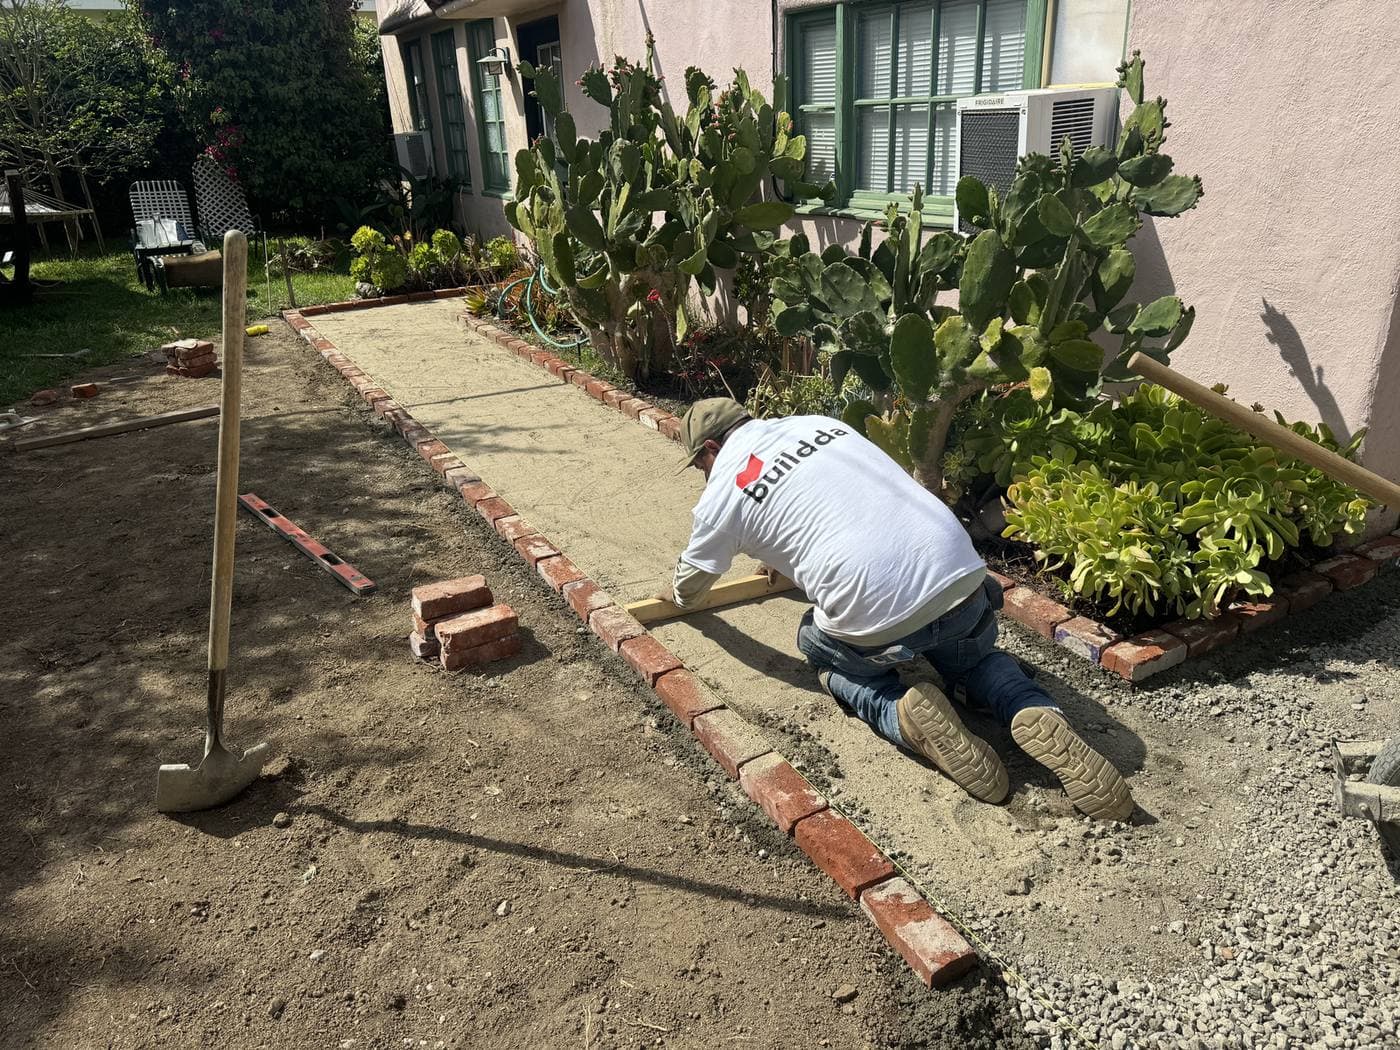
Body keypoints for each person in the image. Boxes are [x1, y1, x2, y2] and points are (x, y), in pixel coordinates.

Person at [666, 397, 1134, 822]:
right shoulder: (819, 424)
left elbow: (690, 589)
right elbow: (846, 508)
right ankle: (1030, 708)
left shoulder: (721, 496)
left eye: (700, 465)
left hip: (875, 628)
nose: (704, 474)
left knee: (816, 641)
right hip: (961, 580)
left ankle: (901, 712)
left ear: (711, 448)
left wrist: (683, 592)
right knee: (973, 659)